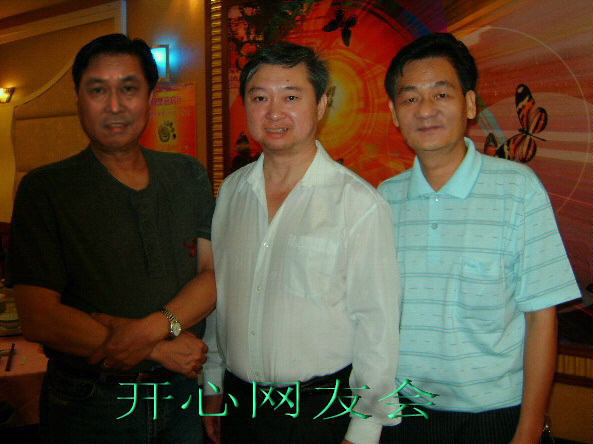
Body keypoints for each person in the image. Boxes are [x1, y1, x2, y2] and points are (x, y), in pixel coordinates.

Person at [8, 33, 216, 443]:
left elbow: (212, 275)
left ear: (150, 98)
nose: (115, 106)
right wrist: (158, 349)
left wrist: (151, 329)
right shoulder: (46, 189)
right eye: (98, 90)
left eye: (129, 89)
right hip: (88, 402)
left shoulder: (187, 174)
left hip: (179, 396)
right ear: (78, 100)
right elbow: (39, 316)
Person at [379, 33, 580, 444]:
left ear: (470, 104)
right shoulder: (383, 199)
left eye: (441, 94)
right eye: (411, 98)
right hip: (403, 414)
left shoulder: (518, 189)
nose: (426, 110)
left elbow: (541, 317)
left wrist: (528, 430)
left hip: (493, 416)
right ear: (394, 113)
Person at [202, 42, 401, 444]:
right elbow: (220, 295)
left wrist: (364, 429)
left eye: (291, 97)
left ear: (322, 104)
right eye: (260, 97)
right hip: (239, 404)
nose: (274, 112)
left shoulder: (358, 203)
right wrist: (211, 382)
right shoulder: (232, 192)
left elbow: (377, 326)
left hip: (318, 412)